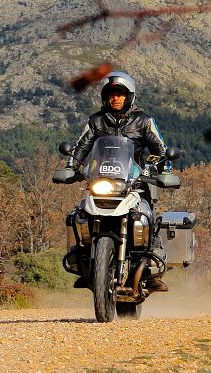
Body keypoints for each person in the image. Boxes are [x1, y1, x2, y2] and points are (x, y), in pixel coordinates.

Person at [67, 70, 170, 292]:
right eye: (111, 93)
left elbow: (159, 148)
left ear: (129, 96)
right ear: (105, 96)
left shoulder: (143, 121)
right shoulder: (96, 121)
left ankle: (151, 269)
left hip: (135, 181)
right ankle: (83, 261)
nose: (115, 98)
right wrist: (71, 166)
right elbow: (82, 145)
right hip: (102, 181)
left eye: (120, 94)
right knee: (79, 215)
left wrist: (165, 167)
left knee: (146, 216)